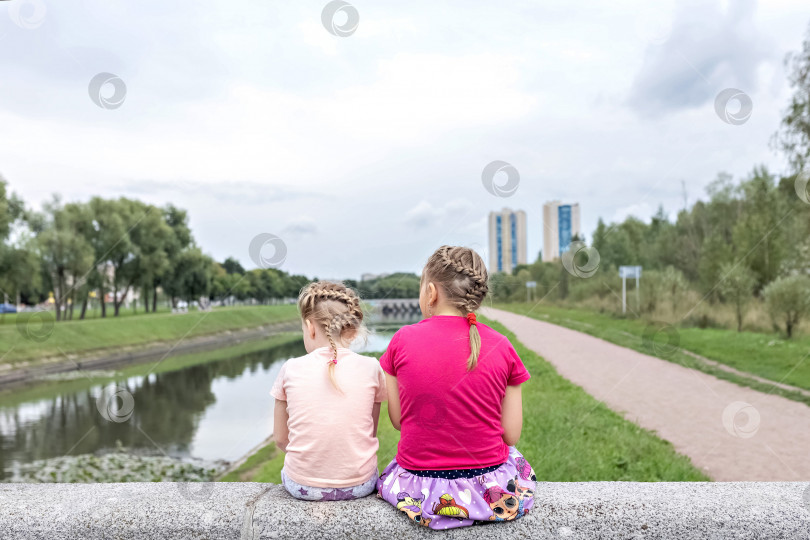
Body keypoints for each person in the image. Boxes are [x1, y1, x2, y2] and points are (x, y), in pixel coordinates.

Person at [376, 246, 536, 529]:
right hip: (489, 488)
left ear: (431, 292)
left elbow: (400, 421)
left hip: (419, 489)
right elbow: (511, 435)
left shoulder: (401, 340)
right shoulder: (502, 344)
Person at [272, 281, 387, 501]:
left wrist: (311, 465)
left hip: (301, 485)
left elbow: (280, 439)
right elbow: (368, 433)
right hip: (360, 485)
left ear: (310, 327)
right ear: (352, 330)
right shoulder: (372, 367)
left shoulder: (290, 368)